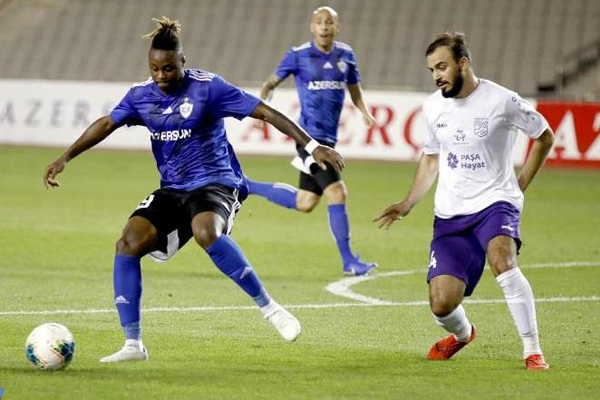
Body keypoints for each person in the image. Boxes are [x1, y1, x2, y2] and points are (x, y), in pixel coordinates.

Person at [43, 17, 346, 363]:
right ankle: (133, 344)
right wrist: (66, 157)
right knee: (128, 242)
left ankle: (270, 308)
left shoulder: (209, 88)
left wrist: (312, 146)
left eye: (168, 68)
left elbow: (265, 112)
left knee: (206, 232)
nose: (161, 76)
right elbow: (107, 123)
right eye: (155, 69)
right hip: (173, 188)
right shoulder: (141, 96)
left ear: (182, 62)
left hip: (217, 183)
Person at [374, 32, 554, 370]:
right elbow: (431, 158)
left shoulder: (502, 100)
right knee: (442, 304)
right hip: (450, 213)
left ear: (463, 63)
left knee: (503, 260)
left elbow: (544, 136)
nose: (436, 75)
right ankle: (462, 334)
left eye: (442, 67)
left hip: (495, 203)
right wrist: (408, 202)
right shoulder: (433, 107)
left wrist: (519, 186)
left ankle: (532, 350)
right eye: (431, 70)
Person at [244, 6, 377, 276]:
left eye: (329, 22)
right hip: (308, 139)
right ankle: (349, 261)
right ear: (312, 27)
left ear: (337, 27)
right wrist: (261, 109)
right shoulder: (298, 55)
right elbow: (269, 84)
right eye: (319, 22)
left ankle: (248, 186)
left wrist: (364, 111)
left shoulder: (346, 55)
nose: (324, 26)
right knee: (337, 193)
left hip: (329, 140)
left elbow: (355, 89)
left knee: (306, 202)